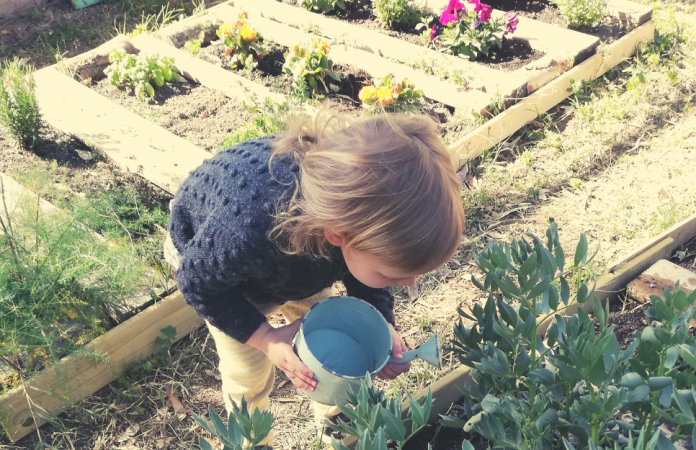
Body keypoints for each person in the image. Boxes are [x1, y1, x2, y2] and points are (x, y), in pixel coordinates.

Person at [164, 110, 465, 446]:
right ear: (338, 234)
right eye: (394, 274)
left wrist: (381, 322)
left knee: (325, 329)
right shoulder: (245, 231)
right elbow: (197, 285)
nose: (410, 285)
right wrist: (266, 338)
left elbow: (364, 271)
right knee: (249, 372)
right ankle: (250, 438)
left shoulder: (348, 222)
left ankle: (335, 415)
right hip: (221, 276)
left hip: (300, 256)